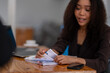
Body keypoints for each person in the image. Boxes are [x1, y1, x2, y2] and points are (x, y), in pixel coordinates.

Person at [36, 0, 110, 73]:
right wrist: (48, 53)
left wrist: (75, 60)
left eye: (87, 10)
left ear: (97, 12)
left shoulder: (105, 31)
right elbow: (61, 43)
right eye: (78, 8)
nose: (81, 13)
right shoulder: (72, 27)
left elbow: (102, 64)